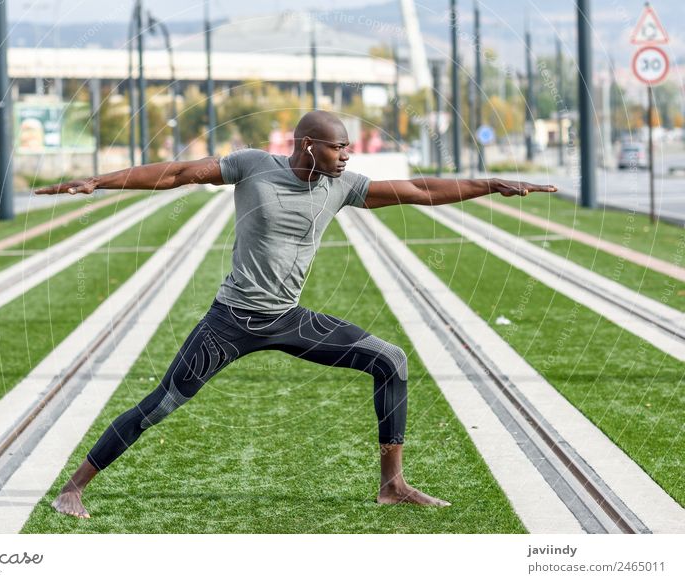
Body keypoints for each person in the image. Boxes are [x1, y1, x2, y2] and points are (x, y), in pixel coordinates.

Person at [35, 110, 556, 518]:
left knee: (390, 360)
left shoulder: (342, 186)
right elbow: (175, 173)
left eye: (349, 146)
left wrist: (490, 184)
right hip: (230, 322)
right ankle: (73, 488)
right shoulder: (251, 165)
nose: (346, 155)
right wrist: (97, 181)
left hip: (287, 318)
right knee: (163, 402)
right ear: (309, 144)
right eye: (338, 146)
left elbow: (421, 191)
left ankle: (392, 485)